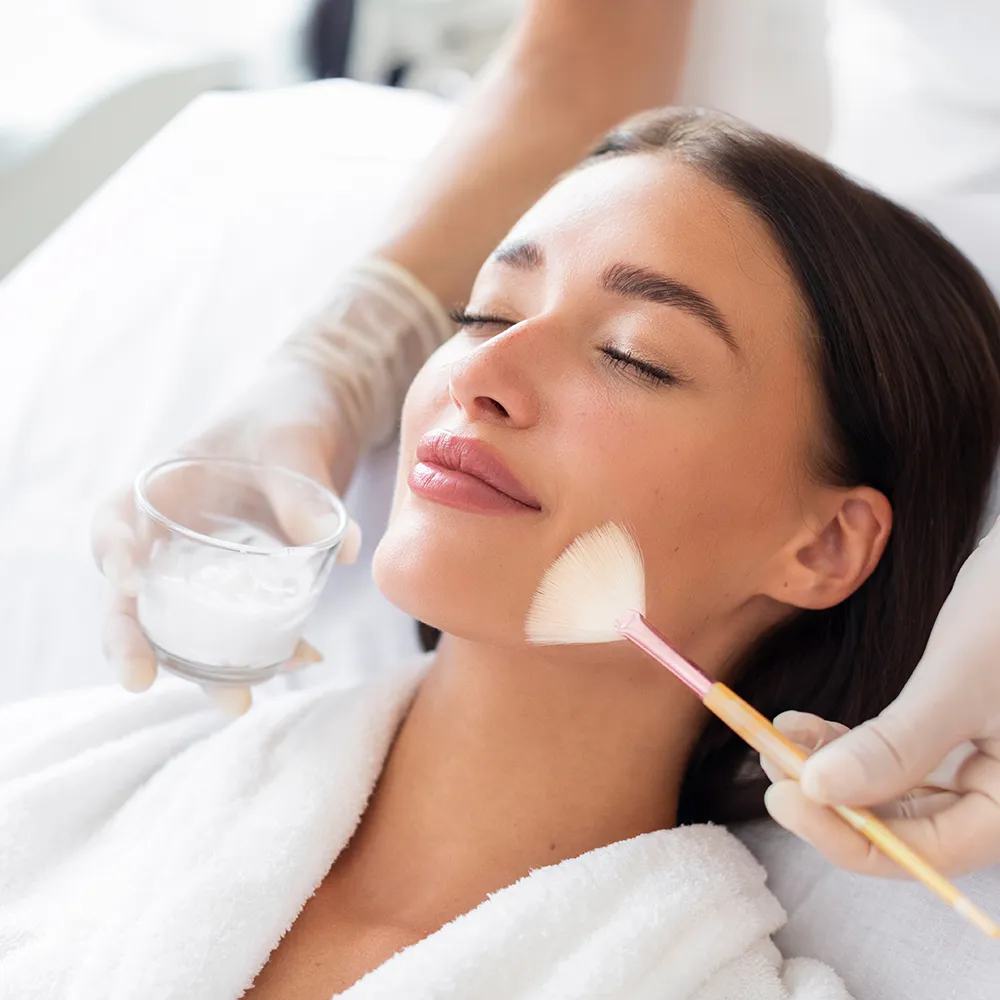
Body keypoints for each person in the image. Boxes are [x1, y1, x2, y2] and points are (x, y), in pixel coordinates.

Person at [10, 105, 998, 998]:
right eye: (483, 312)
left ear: (821, 544)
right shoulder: (49, 780)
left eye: (632, 353)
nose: (481, 372)